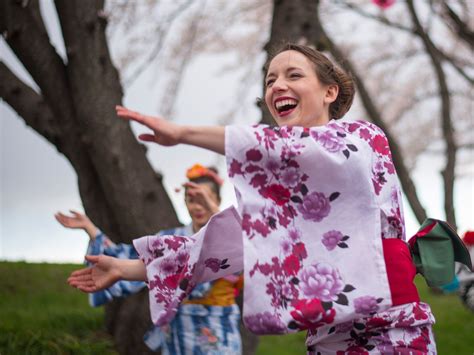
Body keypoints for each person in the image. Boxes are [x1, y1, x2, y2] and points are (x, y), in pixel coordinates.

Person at [69, 43, 437, 354]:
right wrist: (130, 269)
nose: (277, 86)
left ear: (330, 92)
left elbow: (307, 149)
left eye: (293, 75)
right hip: (330, 340)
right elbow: (225, 242)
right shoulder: (283, 197)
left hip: (394, 330)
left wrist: (183, 132)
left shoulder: (362, 139)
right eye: (270, 80)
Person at [59, 165, 243, 354]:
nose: (197, 206)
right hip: (178, 331)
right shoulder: (171, 238)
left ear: (217, 200)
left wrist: (217, 216)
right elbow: (130, 259)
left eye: (204, 199)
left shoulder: (232, 237)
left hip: (219, 330)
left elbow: (249, 245)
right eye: (191, 200)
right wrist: (92, 230)